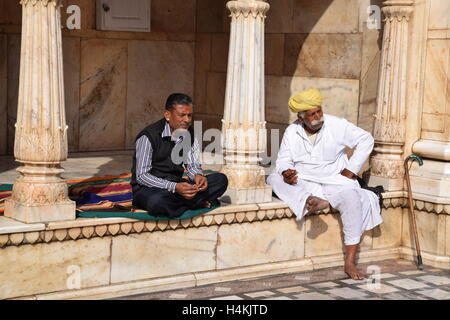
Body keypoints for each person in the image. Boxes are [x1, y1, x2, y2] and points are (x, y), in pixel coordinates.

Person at [267, 89, 383, 280]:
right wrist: (286, 172)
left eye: (319, 111)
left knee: (353, 198)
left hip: (335, 180)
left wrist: (352, 169)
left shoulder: (336, 125)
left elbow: (366, 139)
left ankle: (350, 261)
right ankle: (311, 200)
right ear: (301, 117)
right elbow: (283, 160)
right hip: (306, 182)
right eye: (312, 114)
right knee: (273, 178)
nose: (318, 117)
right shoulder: (292, 131)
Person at [131, 93, 228, 218]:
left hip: (177, 186)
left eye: (189, 115)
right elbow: (142, 176)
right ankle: (194, 203)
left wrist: (198, 176)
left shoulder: (190, 133)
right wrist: (174, 187)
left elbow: (192, 165)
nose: (187, 120)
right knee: (157, 202)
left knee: (220, 180)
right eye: (182, 115)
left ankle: (183, 204)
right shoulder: (148, 136)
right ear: (167, 115)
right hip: (150, 189)